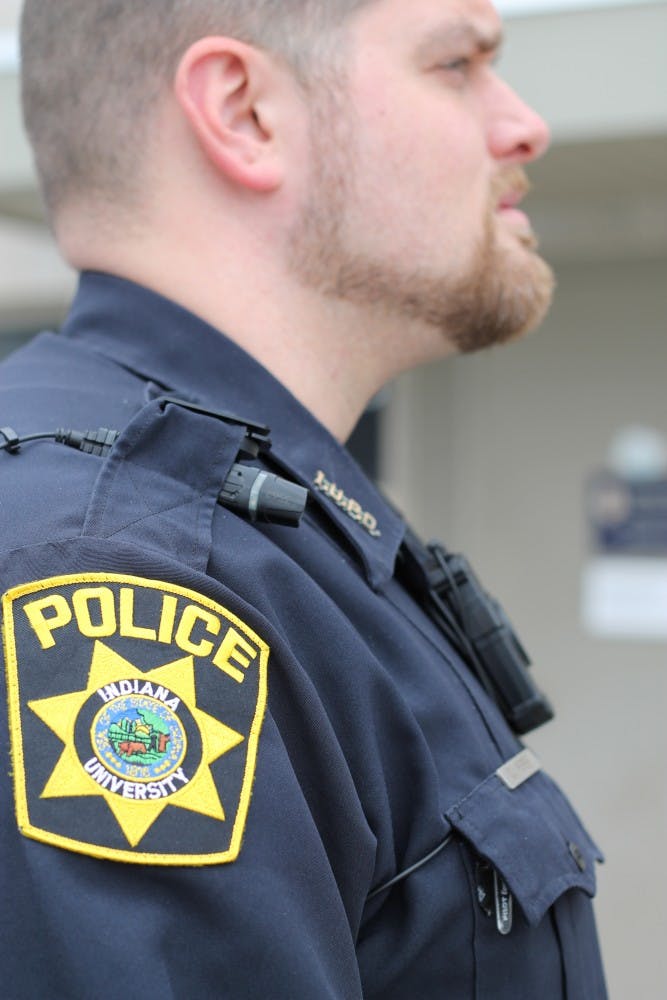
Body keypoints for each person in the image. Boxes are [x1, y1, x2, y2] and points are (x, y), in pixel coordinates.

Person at [0, 0, 607, 996]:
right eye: (456, 64)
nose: (522, 124)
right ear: (241, 112)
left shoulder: (271, 534)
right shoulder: (120, 571)